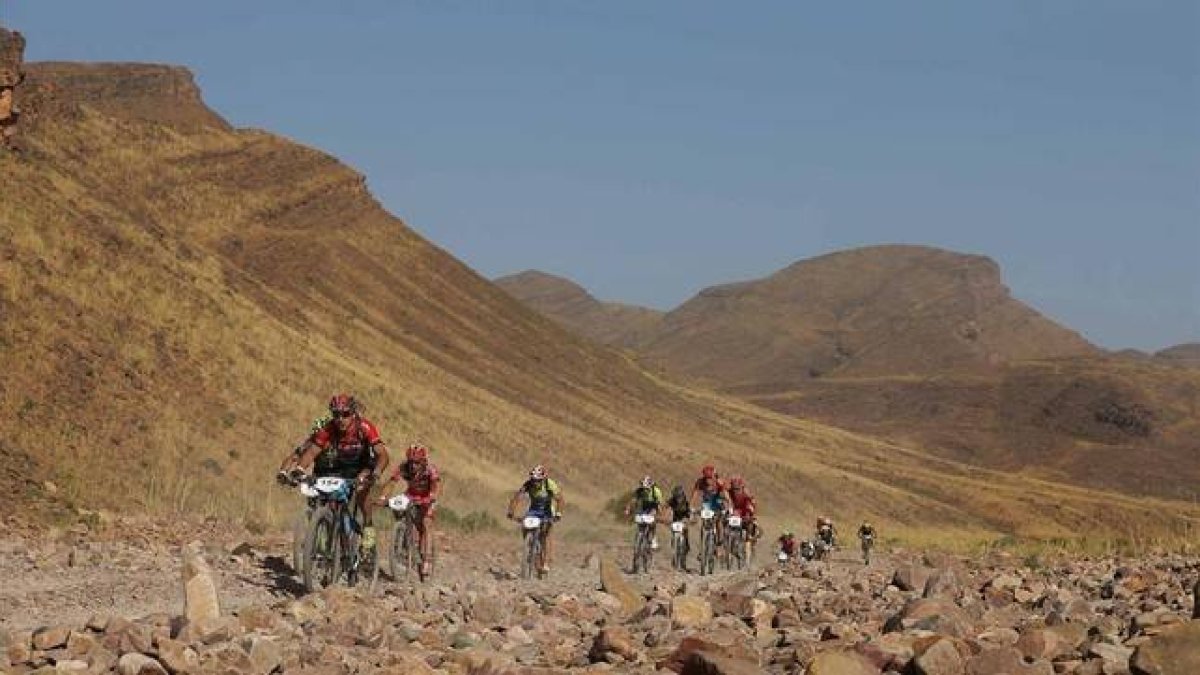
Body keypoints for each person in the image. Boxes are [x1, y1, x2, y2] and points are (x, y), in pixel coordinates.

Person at [293, 393, 391, 551]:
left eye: (345, 414)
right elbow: (312, 452)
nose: (340, 419)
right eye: (336, 414)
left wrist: (377, 472)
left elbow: (383, 455)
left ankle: (368, 527)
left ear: (352, 413)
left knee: (360, 491)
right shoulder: (329, 428)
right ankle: (334, 540)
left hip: (363, 465)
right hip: (340, 467)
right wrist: (299, 469)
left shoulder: (364, 427)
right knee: (329, 497)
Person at [379, 443, 441, 577]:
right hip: (411, 495)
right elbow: (391, 482)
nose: (413, 466)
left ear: (423, 461)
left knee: (425, 522)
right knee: (398, 509)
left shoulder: (431, 470)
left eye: (417, 463)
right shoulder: (404, 467)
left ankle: (426, 560)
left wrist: (431, 497)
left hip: (427, 497)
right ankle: (403, 537)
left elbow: (436, 487)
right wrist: (383, 497)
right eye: (411, 462)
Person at [507, 465, 563, 574]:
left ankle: (546, 562)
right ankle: (528, 548)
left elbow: (560, 500)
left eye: (537, 481)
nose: (535, 482)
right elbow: (517, 497)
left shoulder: (549, 484)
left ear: (543, 479)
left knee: (547, 533)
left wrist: (558, 514)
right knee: (525, 526)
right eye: (533, 480)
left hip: (547, 510)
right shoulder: (528, 484)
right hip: (534, 510)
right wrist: (511, 511)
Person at [276, 413, 333, 479]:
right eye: (317, 435)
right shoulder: (310, 443)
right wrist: (283, 473)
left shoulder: (337, 438)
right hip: (321, 473)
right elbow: (294, 456)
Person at [690, 465, 730, 554]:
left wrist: (728, 505)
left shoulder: (719, 482)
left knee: (718, 521)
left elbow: (726, 494)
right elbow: (695, 493)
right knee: (704, 523)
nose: (708, 480)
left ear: (713, 476)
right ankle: (703, 547)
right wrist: (691, 506)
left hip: (718, 502)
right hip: (707, 503)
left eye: (710, 478)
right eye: (706, 478)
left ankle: (719, 543)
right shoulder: (700, 482)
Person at [624, 475, 665, 551]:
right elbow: (633, 500)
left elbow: (660, 503)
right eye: (643, 487)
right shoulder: (639, 490)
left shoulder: (656, 491)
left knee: (652, 522)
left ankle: (653, 539)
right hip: (644, 506)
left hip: (654, 505)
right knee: (640, 522)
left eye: (646, 488)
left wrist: (658, 511)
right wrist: (628, 508)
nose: (644, 489)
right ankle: (640, 537)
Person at [726, 476, 758, 562]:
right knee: (725, 524)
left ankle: (748, 546)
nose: (736, 491)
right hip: (734, 513)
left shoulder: (746, 493)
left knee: (750, 526)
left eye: (738, 489)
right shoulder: (729, 492)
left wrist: (751, 513)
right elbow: (724, 500)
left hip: (745, 512)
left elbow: (752, 504)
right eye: (734, 488)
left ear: (741, 487)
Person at [666, 484, 692, 568]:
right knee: (673, 537)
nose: (677, 499)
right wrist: (664, 515)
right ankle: (674, 556)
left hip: (684, 520)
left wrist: (688, 520)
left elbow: (689, 514)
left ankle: (684, 557)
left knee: (685, 536)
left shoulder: (686, 503)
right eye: (676, 496)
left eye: (679, 496)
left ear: (682, 495)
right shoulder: (672, 500)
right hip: (675, 520)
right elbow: (665, 507)